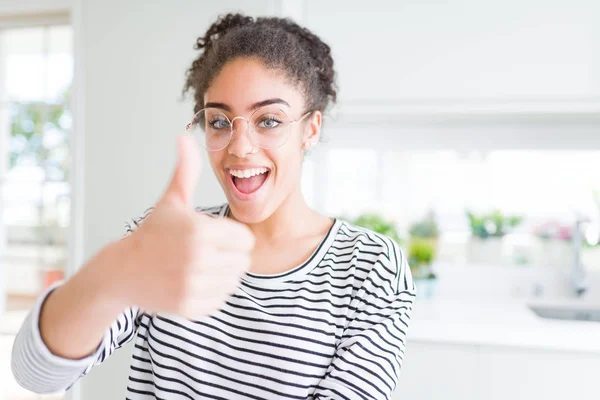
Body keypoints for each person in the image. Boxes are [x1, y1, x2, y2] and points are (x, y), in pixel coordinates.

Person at [11, 13, 415, 400]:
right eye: (220, 122)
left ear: (311, 128)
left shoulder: (371, 268)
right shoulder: (167, 241)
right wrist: (114, 271)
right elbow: (37, 374)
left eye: (269, 120)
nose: (239, 147)